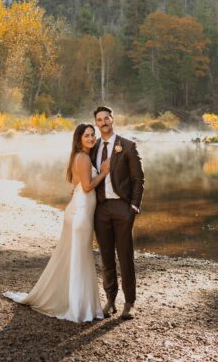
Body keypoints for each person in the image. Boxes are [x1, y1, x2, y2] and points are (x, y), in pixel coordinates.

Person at [4, 123, 110, 323]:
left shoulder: (79, 157)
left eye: (92, 135)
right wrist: (104, 172)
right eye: (86, 135)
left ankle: (79, 304)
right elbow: (87, 187)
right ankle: (78, 309)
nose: (90, 138)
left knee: (77, 257)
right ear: (79, 139)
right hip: (80, 214)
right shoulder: (84, 158)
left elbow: (78, 185)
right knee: (80, 258)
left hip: (78, 211)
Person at [91, 105, 144, 320]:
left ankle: (130, 303)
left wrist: (133, 206)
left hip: (122, 208)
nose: (103, 122)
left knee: (125, 257)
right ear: (96, 123)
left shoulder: (128, 146)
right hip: (101, 209)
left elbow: (138, 179)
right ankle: (111, 299)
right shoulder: (92, 147)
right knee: (106, 258)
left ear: (113, 119)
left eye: (106, 118)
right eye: (99, 119)